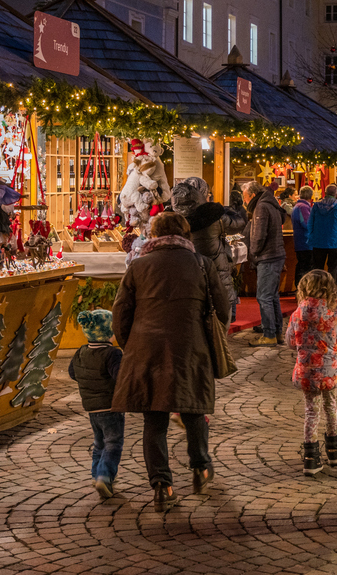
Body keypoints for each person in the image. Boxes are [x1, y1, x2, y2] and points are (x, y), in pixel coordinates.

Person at [110, 212, 229, 512]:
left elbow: (120, 313)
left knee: (154, 420)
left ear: (153, 234)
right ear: (185, 233)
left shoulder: (138, 266)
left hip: (147, 349)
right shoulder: (202, 264)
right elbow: (223, 308)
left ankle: (162, 486)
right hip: (191, 347)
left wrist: (132, 344)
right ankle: (201, 467)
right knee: (193, 410)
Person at [285, 269, 337, 477]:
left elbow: (290, 342)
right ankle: (333, 449)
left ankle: (311, 457)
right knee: (331, 406)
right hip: (329, 370)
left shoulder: (297, 316)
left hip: (306, 371)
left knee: (311, 411)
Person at [170, 177, 246, 324]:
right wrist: (227, 209)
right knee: (220, 326)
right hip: (216, 273)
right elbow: (239, 222)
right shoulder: (213, 216)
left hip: (187, 277)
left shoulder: (173, 217)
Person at [68, 309, 123, 499]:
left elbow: (72, 373)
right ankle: (104, 476)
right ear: (108, 332)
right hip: (110, 407)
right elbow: (120, 377)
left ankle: (95, 474)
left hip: (91, 408)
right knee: (113, 443)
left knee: (99, 442)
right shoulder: (112, 354)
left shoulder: (81, 352)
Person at [245, 182, 287, 347]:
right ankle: (276, 332)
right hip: (275, 255)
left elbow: (259, 235)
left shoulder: (261, 207)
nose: (245, 201)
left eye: (245, 197)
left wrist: (254, 253)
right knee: (272, 296)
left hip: (267, 256)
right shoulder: (271, 204)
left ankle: (269, 334)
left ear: (252, 195)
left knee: (264, 297)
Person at [308, 184, 337, 295]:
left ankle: (317, 290)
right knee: (333, 268)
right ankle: (330, 291)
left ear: (325, 192)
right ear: (336, 193)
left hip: (318, 241)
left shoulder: (316, 206)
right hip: (335, 241)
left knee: (317, 268)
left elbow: (310, 223)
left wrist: (311, 236)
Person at [292, 186, 314, 280]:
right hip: (305, 241)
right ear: (311, 195)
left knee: (302, 266)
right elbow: (307, 224)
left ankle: (300, 289)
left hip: (301, 241)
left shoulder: (298, 206)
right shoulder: (303, 207)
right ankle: (302, 289)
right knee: (305, 267)